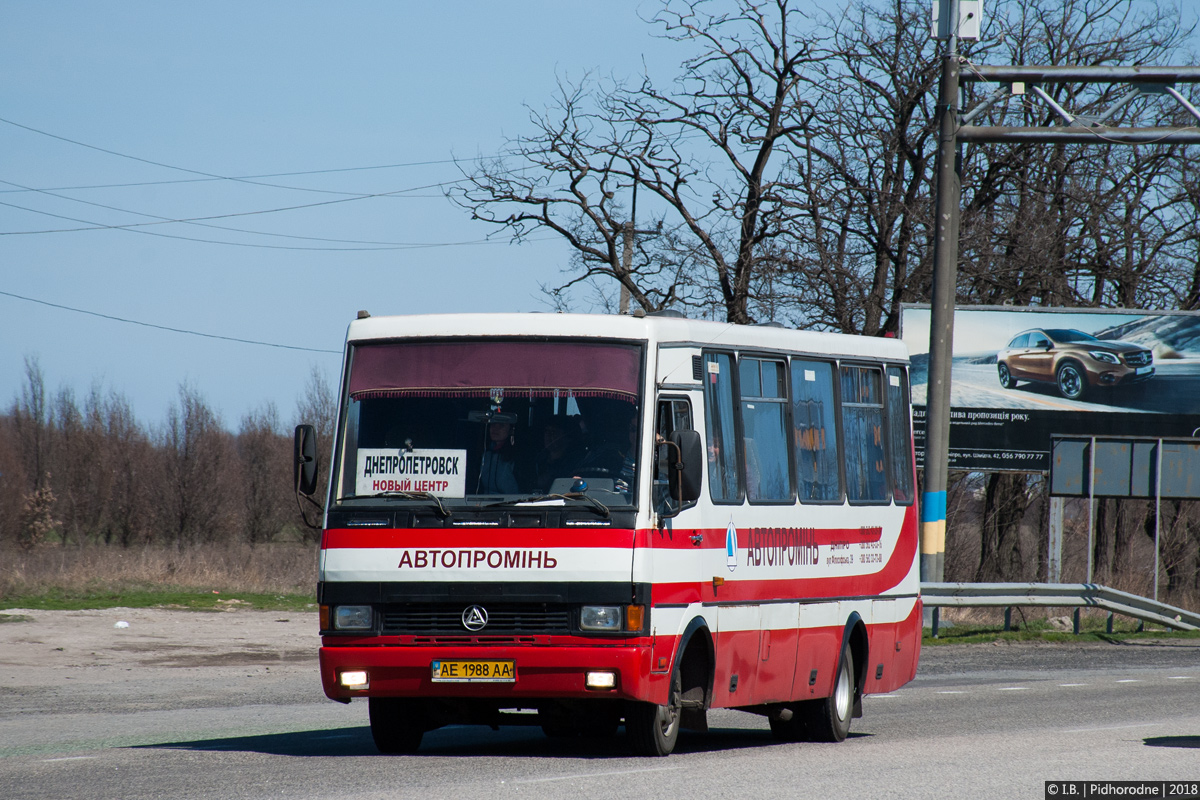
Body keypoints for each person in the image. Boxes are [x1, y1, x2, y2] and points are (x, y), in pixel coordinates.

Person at [534, 416, 586, 493]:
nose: (548, 436)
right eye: (546, 431)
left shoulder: (577, 465)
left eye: (553, 432)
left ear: (568, 437)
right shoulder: (537, 461)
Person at [478, 420, 519, 494]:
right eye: (493, 424)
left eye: (501, 425)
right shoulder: (485, 453)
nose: (495, 428)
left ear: (511, 430)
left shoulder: (517, 456)